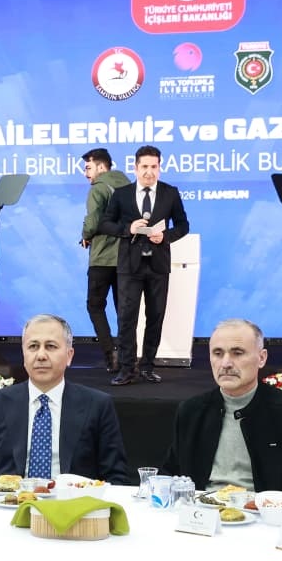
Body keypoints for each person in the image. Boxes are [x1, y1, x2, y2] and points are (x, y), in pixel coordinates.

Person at [163, 319, 282, 500]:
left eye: (237, 353)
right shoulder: (191, 411)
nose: (225, 363)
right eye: (217, 353)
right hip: (200, 510)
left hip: (264, 512)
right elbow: (169, 475)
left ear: (262, 358)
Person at [0, 314, 128, 484]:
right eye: (33, 346)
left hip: (74, 500)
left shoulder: (97, 405)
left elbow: (116, 478)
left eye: (50, 346)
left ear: (69, 355)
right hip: (10, 499)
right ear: (24, 354)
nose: (41, 355)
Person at [99, 144, 189, 385]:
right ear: (136, 168)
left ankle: (148, 366)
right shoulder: (122, 194)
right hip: (130, 265)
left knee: (155, 316)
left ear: (160, 168)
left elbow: (183, 225)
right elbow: (105, 224)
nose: (149, 172)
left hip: (158, 265)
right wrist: (128, 228)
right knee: (126, 318)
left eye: (154, 167)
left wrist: (166, 236)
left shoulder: (170, 193)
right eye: (145, 167)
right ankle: (127, 369)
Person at [79, 148, 131, 374]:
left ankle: (111, 354)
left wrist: (85, 236)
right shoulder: (129, 187)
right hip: (126, 257)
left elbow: (92, 222)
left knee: (95, 305)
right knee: (124, 309)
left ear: (101, 167)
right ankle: (128, 356)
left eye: (88, 168)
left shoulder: (98, 188)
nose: (86, 174)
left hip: (102, 257)